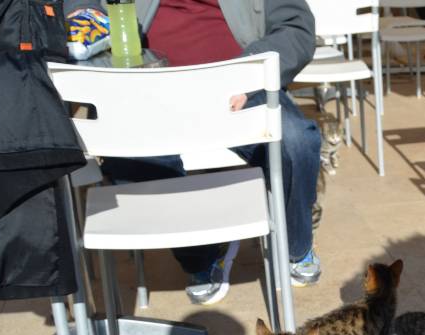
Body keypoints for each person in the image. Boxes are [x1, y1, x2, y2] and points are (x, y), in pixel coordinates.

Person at [64, 0, 323, 304]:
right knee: (131, 160)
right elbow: (80, 6)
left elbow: (296, 27)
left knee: (296, 141)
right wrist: (83, 15)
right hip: (148, 89)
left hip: (239, 84)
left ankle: (296, 246)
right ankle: (202, 258)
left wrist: (247, 73)